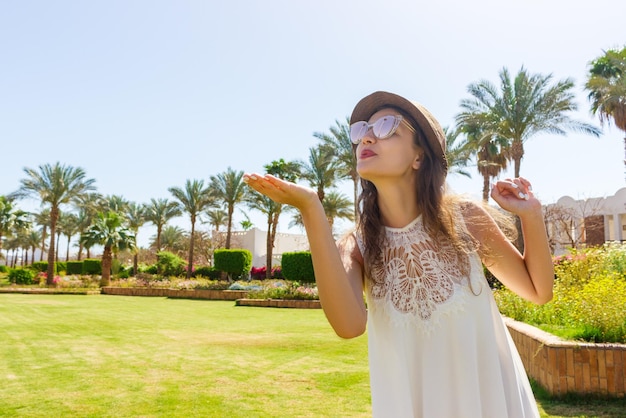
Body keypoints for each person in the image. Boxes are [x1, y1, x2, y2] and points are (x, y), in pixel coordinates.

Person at [243, 91, 554, 418]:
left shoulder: (465, 218)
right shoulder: (356, 247)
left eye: (386, 126)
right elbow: (349, 326)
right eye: (362, 130)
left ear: (419, 155)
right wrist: (310, 208)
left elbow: (538, 291)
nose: (366, 137)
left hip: (492, 404)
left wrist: (531, 215)